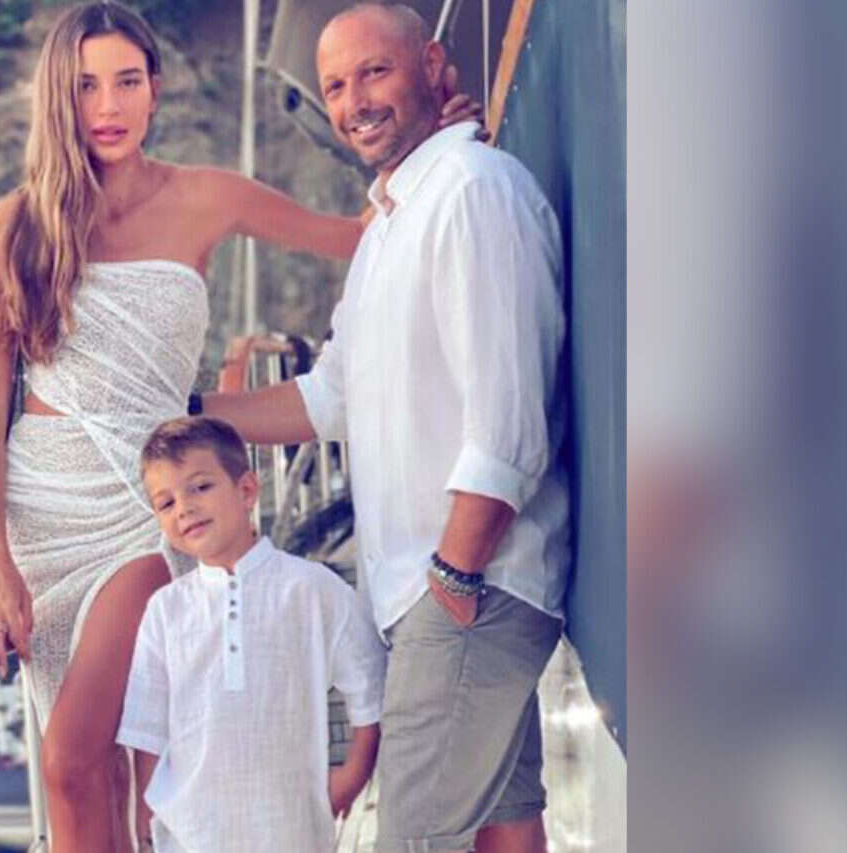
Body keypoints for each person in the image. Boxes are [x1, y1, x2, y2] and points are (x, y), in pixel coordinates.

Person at [0, 3, 481, 851]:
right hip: (41, 507)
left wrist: (433, 147)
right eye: (87, 86)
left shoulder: (208, 196)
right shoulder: (12, 227)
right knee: (117, 770)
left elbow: (360, 236)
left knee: (68, 760)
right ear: (59, 95)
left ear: (155, 89)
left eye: (128, 81)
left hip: (148, 501)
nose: (109, 106)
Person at [201, 4, 569, 853]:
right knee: (505, 830)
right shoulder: (388, 228)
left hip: (472, 586)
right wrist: (187, 414)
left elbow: (508, 424)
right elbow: (328, 397)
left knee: (412, 838)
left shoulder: (472, 192)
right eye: (335, 86)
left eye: (375, 72)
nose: (354, 102)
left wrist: (453, 578)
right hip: (432, 590)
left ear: (433, 67)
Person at [119, 416, 385, 853]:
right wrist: (146, 821)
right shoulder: (165, 610)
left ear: (246, 490)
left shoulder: (310, 588)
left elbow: (370, 688)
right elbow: (148, 731)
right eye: (166, 503)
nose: (184, 508)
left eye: (200, 487)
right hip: (192, 835)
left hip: (290, 831)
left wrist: (352, 776)